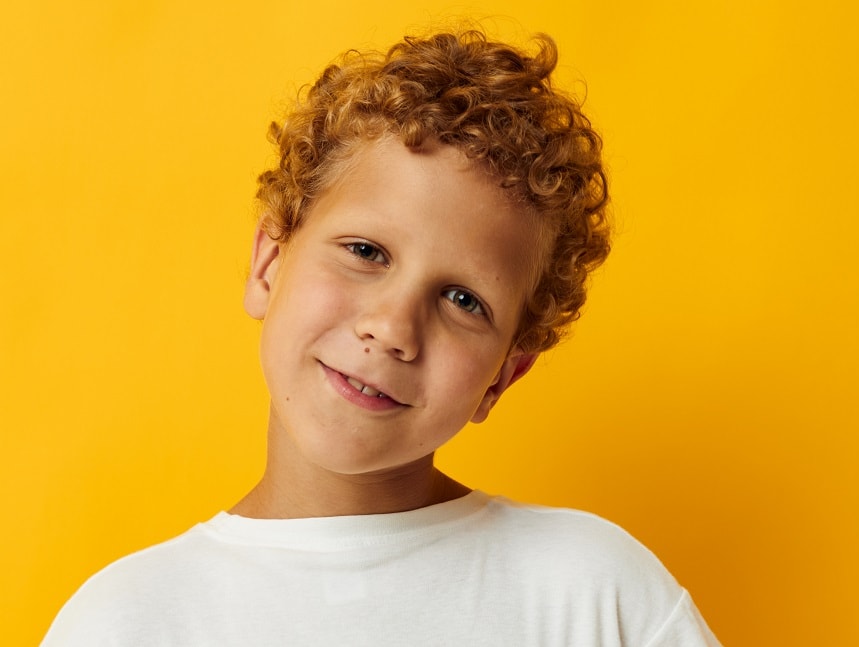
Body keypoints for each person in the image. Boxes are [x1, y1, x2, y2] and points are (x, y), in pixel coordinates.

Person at [42, 29, 721, 646]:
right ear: (269, 262)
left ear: (504, 376)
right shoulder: (124, 621)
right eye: (366, 251)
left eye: (463, 300)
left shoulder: (595, 593)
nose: (393, 328)